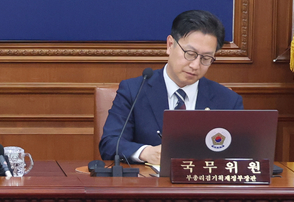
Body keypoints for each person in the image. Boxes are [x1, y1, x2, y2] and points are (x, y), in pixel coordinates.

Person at [99, 10, 243, 165]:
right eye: (190, 53)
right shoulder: (134, 90)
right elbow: (110, 144)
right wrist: (145, 153)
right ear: (170, 45)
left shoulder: (228, 100)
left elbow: (242, 152)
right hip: (149, 186)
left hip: (203, 186)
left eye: (206, 58)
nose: (195, 65)